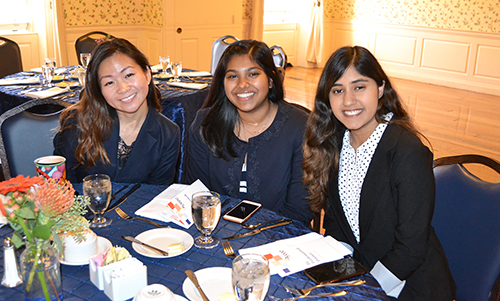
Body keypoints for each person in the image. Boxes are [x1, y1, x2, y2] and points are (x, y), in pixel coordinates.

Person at [303, 46, 456, 299]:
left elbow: (410, 248)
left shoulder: (407, 151)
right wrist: (337, 273)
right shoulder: (333, 143)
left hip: (411, 284)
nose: (349, 101)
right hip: (361, 274)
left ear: (381, 88)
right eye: (338, 90)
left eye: (359, 87)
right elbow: (336, 226)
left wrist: (365, 289)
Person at [184, 40, 312, 226]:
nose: (242, 84)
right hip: (217, 231)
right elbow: (197, 193)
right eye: (232, 76)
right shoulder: (206, 124)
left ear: (270, 79)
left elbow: (299, 211)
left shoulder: (299, 127)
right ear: (223, 83)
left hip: (278, 236)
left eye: (253, 74)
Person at [54, 38, 180, 185]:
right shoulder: (79, 123)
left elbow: (157, 196)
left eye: (129, 75)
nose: (123, 88)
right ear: (100, 91)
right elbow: (61, 187)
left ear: (147, 74)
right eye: (109, 82)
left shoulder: (168, 134)